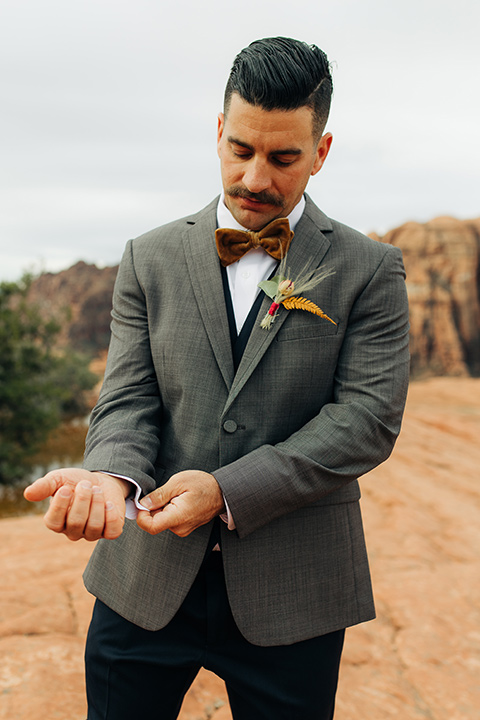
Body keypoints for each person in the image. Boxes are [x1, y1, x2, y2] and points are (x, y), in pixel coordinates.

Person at [25, 37, 410, 720]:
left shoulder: (370, 270)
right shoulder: (148, 257)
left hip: (295, 590)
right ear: (219, 134)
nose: (256, 177)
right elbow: (127, 400)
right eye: (240, 148)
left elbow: (366, 422)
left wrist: (225, 491)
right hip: (142, 584)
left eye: (284, 157)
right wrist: (112, 478)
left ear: (321, 152)